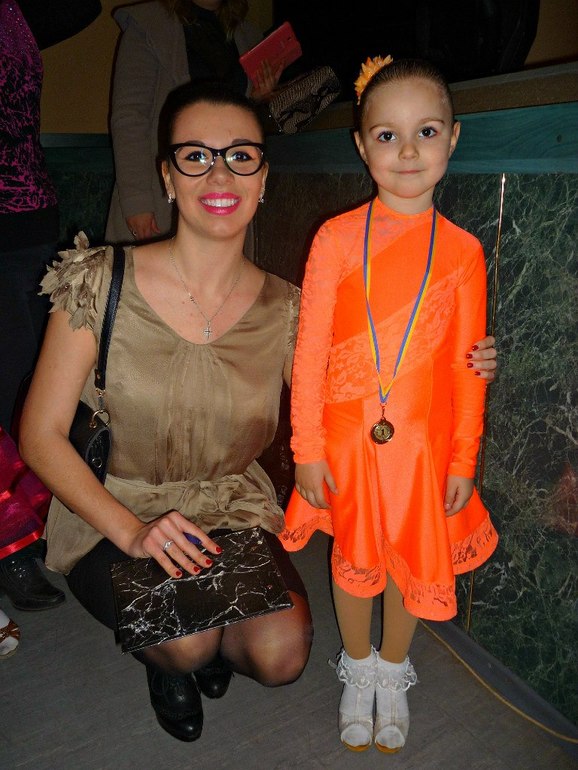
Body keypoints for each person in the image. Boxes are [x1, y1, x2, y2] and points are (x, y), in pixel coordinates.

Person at [19, 81, 313, 743]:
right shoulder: (100, 278)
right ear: (167, 177)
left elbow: (349, 403)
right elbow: (39, 434)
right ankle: (172, 662)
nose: (220, 174)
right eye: (196, 156)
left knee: (281, 654)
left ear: (263, 179)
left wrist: (458, 359)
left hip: (228, 503)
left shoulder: (289, 310)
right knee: (187, 643)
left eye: (241, 156)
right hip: (113, 507)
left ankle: (206, 638)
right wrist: (132, 533)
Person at [280, 56, 499, 753]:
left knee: (410, 560)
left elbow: (468, 366)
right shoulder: (336, 239)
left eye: (426, 131)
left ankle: (394, 671)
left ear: (453, 138)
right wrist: (307, 448)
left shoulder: (463, 253)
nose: (407, 152)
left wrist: (463, 458)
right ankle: (358, 669)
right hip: (347, 439)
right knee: (354, 556)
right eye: (386, 135)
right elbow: (309, 353)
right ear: (360, 144)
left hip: (423, 448)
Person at [0, 0, 101, 612]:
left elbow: (80, 5)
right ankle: (12, 548)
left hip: (26, 217)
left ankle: (31, 533)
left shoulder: (18, 13)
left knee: (30, 391)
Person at [105, 0, 283, 244]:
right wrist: (136, 200)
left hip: (227, 187)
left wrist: (255, 99)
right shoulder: (148, 23)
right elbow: (129, 117)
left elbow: (237, 124)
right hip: (162, 189)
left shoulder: (247, 34)